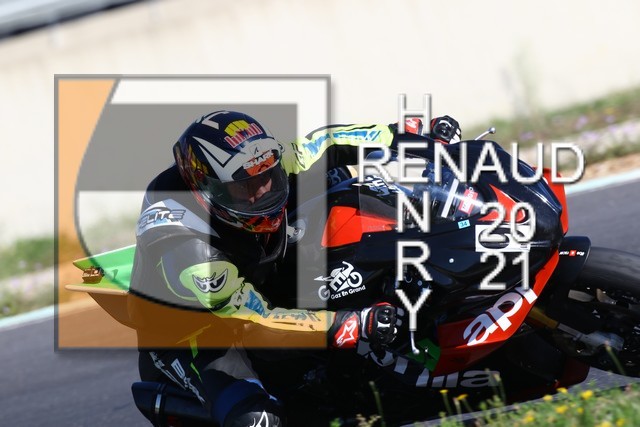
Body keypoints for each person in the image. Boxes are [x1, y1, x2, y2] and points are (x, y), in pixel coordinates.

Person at [129, 110, 461, 426]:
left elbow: (328, 144)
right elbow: (255, 323)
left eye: (268, 177)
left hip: (259, 275)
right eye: (246, 187)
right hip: (202, 332)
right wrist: (349, 324)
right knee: (258, 420)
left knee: (338, 185)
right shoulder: (188, 249)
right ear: (207, 190)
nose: (264, 191)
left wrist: (407, 135)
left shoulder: (257, 164)